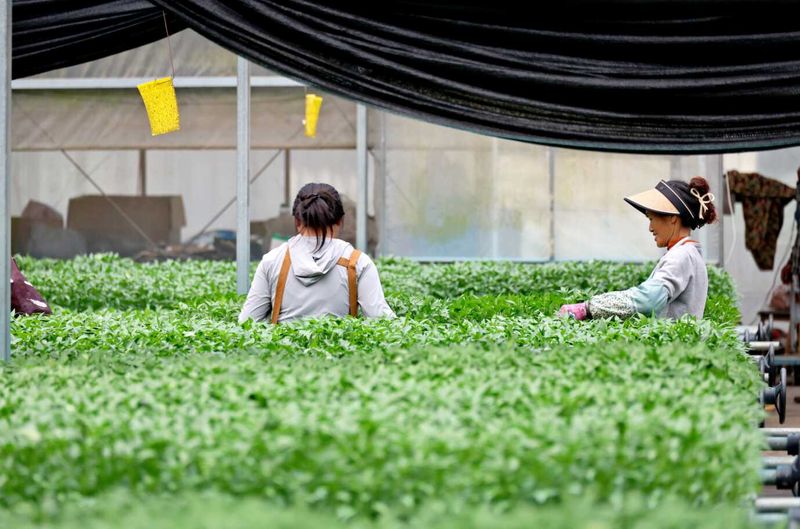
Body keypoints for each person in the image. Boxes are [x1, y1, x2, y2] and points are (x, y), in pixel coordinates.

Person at [558, 177, 717, 321]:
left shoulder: (681, 256)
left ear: (672, 217)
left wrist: (589, 307)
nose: (650, 228)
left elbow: (648, 300)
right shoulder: (688, 253)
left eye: (652, 219)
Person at [239, 183, 395, 324]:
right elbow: (381, 320)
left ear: (297, 222)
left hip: (284, 354)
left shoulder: (272, 260)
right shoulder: (358, 262)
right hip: (340, 355)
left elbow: (248, 322)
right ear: (340, 221)